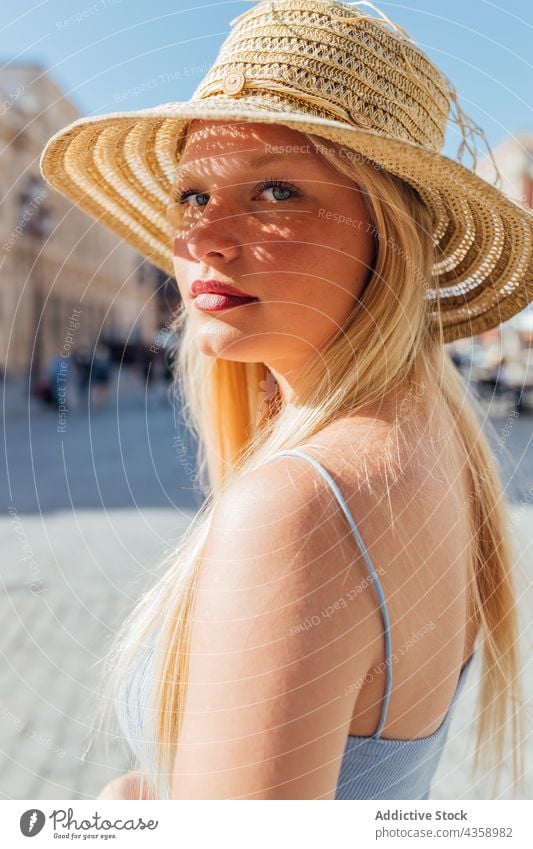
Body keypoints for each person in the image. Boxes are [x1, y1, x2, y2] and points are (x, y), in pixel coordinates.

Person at [40, 0, 531, 801]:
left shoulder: (301, 506)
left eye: (274, 190)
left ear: (387, 232)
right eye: (192, 195)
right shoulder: (431, 436)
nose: (205, 237)